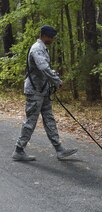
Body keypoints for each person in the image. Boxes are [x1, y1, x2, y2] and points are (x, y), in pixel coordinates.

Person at [12, 25, 78, 161]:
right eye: (51, 37)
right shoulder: (37, 49)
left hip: (43, 91)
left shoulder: (43, 49)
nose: (52, 40)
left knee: (49, 119)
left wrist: (52, 79)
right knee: (31, 121)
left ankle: (59, 149)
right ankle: (19, 150)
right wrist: (57, 81)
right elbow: (44, 68)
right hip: (34, 91)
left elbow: (46, 70)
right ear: (45, 36)